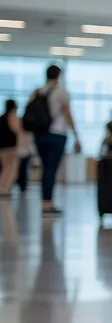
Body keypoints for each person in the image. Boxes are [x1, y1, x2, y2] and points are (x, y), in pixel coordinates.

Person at [25, 65, 81, 216]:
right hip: (57, 134)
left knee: (45, 167)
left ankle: (45, 200)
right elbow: (68, 114)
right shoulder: (61, 91)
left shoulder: (36, 92)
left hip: (40, 134)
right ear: (59, 75)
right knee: (51, 168)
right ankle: (47, 202)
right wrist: (76, 136)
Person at [0, 100, 20, 198]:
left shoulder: (1, 118)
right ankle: (5, 188)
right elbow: (16, 130)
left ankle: (3, 187)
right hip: (11, 147)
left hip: (2, 147)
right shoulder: (12, 117)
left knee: (5, 168)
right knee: (11, 169)